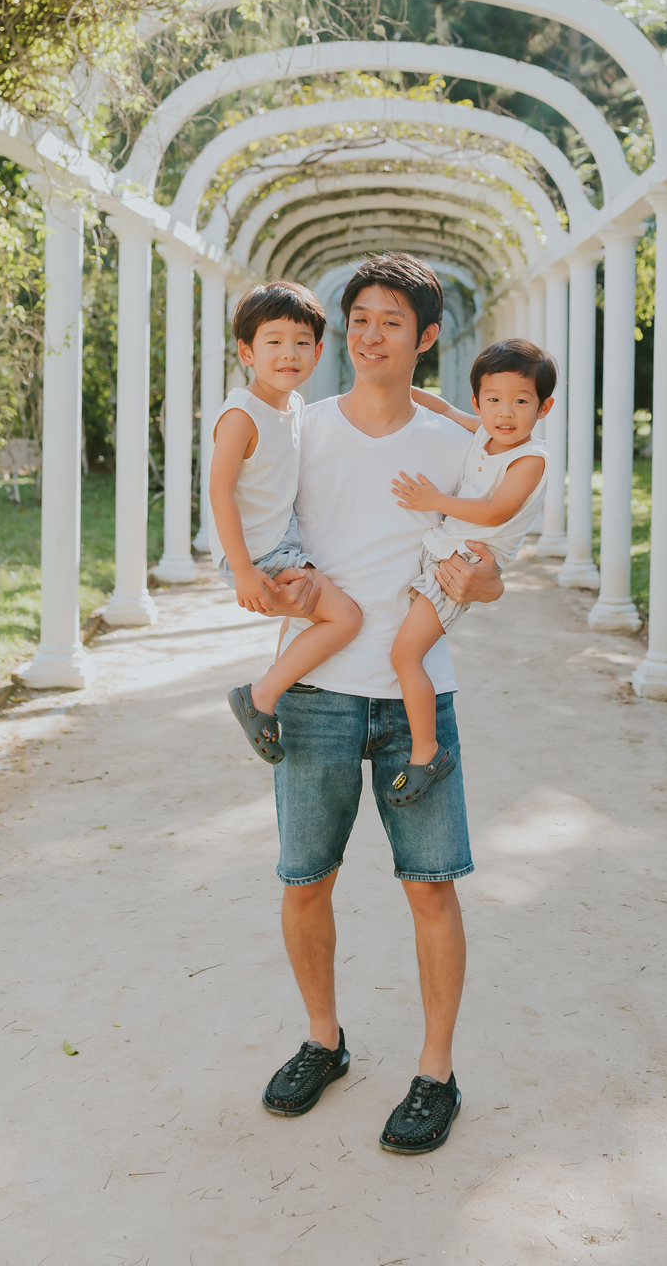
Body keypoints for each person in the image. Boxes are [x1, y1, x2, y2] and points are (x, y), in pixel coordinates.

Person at [257, 253, 505, 1156]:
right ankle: (323, 1043)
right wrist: (277, 588)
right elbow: (262, 540)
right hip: (317, 691)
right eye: (358, 318)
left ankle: (435, 1072)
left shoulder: (456, 448)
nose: (368, 335)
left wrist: (478, 579)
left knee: (431, 889)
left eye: (391, 322)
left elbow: (493, 574)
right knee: (304, 880)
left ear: (426, 337)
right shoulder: (301, 429)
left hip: (417, 700)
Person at [383, 340, 553, 804]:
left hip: (464, 563)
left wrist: (432, 500)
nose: (506, 412)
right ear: (479, 401)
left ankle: (426, 752)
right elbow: (442, 406)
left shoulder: (529, 458)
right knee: (399, 647)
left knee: (405, 656)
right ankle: (423, 746)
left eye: (522, 401)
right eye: (494, 399)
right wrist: (399, 386)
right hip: (441, 552)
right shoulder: (484, 431)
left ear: (544, 407)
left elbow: (496, 510)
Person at [211, 281, 362, 762]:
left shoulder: (292, 405)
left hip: (284, 538)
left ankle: (279, 695)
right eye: (273, 341)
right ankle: (259, 697)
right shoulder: (242, 415)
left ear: (318, 353)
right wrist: (242, 570)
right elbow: (219, 492)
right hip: (260, 551)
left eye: (301, 343)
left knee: (307, 615)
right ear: (246, 351)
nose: (288, 353)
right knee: (346, 617)